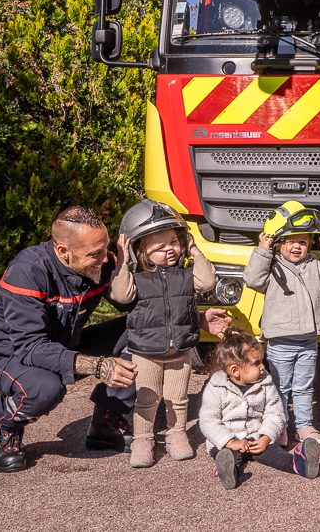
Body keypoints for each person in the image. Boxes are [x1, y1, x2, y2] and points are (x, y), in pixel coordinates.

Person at [0, 206, 232, 473]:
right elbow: (30, 346)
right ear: (64, 251)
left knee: (137, 333)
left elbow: (146, 309)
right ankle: (5, 425)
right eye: (94, 254)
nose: (104, 258)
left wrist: (198, 320)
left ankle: (107, 421)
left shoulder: (100, 263)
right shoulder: (28, 271)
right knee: (45, 388)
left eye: (105, 248)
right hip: (12, 356)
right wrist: (98, 365)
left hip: (66, 343)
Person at [109, 199, 218, 468]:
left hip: (180, 349)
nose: (170, 250)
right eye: (159, 247)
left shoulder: (185, 274)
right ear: (140, 252)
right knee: (147, 399)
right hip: (145, 351)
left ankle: (176, 433)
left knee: (177, 398)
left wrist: (195, 249)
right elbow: (121, 295)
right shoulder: (137, 278)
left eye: (174, 242)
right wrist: (123, 262)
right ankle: (143, 439)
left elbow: (207, 281)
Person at [243, 200, 320, 442]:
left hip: (308, 341)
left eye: (303, 242)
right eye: (291, 242)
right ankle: (279, 426)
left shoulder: (316, 266)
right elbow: (253, 279)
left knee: (304, 388)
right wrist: (263, 250)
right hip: (280, 342)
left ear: (310, 243)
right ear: (279, 244)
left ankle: (304, 426)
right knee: (280, 388)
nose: (297, 247)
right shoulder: (272, 267)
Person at [199, 329, 320, 489]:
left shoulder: (265, 384)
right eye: (256, 363)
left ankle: (300, 463)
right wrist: (230, 441)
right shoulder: (216, 387)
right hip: (227, 438)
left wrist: (266, 437)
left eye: (261, 361)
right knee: (226, 454)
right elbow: (208, 421)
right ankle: (227, 471)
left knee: (276, 454)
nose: (263, 367)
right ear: (235, 371)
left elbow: (275, 413)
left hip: (256, 436)